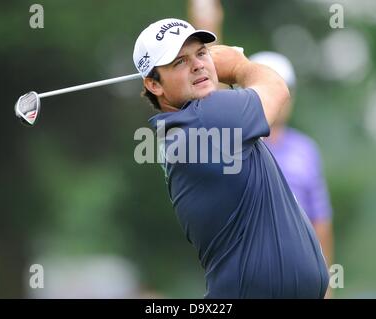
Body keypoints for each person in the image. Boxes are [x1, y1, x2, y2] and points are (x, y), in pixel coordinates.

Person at [133, 18, 329, 298]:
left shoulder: (192, 123)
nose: (198, 64)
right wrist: (238, 65)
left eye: (201, 53)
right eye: (179, 62)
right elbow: (277, 87)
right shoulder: (206, 118)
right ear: (154, 84)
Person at [248, 52, 334, 271]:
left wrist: (326, 282)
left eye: (286, 89)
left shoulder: (306, 149)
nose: (281, 97)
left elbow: (320, 219)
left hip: (301, 272)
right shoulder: (237, 145)